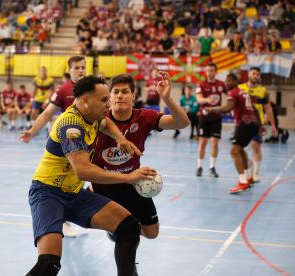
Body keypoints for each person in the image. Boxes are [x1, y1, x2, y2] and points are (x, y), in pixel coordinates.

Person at [25, 75, 157, 276]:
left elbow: (106, 124)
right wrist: (129, 177)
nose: (109, 103)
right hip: (48, 193)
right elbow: (83, 170)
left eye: (108, 98)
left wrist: (120, 138)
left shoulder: (93, 117)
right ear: (85, 100)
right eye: (104, 99)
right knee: (49, 263)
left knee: (129, 226)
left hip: (74, 193)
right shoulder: (70, 126)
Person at [89, 72, 189, 275]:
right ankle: (127, 260)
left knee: (152, 233)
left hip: (132, 185)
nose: (119, 96)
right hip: (103, 187)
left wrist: (167, 98)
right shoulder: (98, 118)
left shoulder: (145, 117)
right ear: (109, 96)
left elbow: (182, 123)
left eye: (125, 92)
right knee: (130, 230)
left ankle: (117, 231)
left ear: (134, 95)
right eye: (115, 92)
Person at [19, 56, 86, 238]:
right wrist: (32, 131)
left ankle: (81, 214)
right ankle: (64, 222)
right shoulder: (63, 91)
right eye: (77, 67)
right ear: (69, 70)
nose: (81, 70)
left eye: (83, 67)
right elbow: (47, 112)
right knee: (66, 181)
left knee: (82, 179)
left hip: (89, 141)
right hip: (69, 143)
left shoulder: (92, 87)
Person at [203, 74, 264, 193]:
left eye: (229, 80)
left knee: (234, 151)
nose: (227, 83)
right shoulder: (243, 92)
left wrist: (210, 109)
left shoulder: (233, 92)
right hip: (252, 125)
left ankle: (243, 182)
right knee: (240, 150)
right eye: (226, 81)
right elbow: (255, 109)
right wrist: (260, 125)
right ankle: (248, 178)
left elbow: (227, 109)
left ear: (236, 81)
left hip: (245, 125)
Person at [238, 67, 276, 183]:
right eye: (254, 73)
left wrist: (273, 125)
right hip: (242, 123)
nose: (256, 76)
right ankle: (248, 165)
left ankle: (256, 172)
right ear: (249, 74)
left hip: (257, 123)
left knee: (255, 146)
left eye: (258, 74)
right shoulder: (240, 88)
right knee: (238, 149)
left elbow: (268, 108)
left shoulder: (263, 91)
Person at [195, 63, 227, 177]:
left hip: (216, 117)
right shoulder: (201, 84)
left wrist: (229, 107)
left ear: (216, 72)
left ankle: (212, 167)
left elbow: (230, 95)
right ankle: (199, 167)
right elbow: (199, 99)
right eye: (207, 70)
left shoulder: (221, 84)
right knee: (202, 143)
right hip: (204, 117)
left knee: (214, 143)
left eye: (211, 70)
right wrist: (208, 99)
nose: (209, 72)